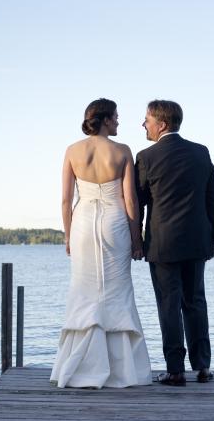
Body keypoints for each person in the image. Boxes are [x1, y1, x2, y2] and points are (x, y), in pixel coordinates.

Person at [50, 98, 152, 389]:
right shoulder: (122, 151)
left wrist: (68, 234)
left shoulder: (72, 151)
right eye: (116, 117)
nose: (119, 122)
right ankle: (123, 370)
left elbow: (66, 200)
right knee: (117, 290)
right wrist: (136, 240)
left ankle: (78, 365)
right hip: (114, 221)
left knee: (83, 290)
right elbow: (130, 200)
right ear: (105, 120)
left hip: (82, 223)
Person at [135, 99, 214, 386]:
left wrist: (137, 240)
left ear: (161, 124)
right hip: (197, 241)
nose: (143, 124)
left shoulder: (146, 157)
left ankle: (175, 370)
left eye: (146, 119)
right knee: (195, 302)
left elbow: (139, 203)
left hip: (162, 244)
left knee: (169, 305)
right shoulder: (201, 152)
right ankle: (202, 367)